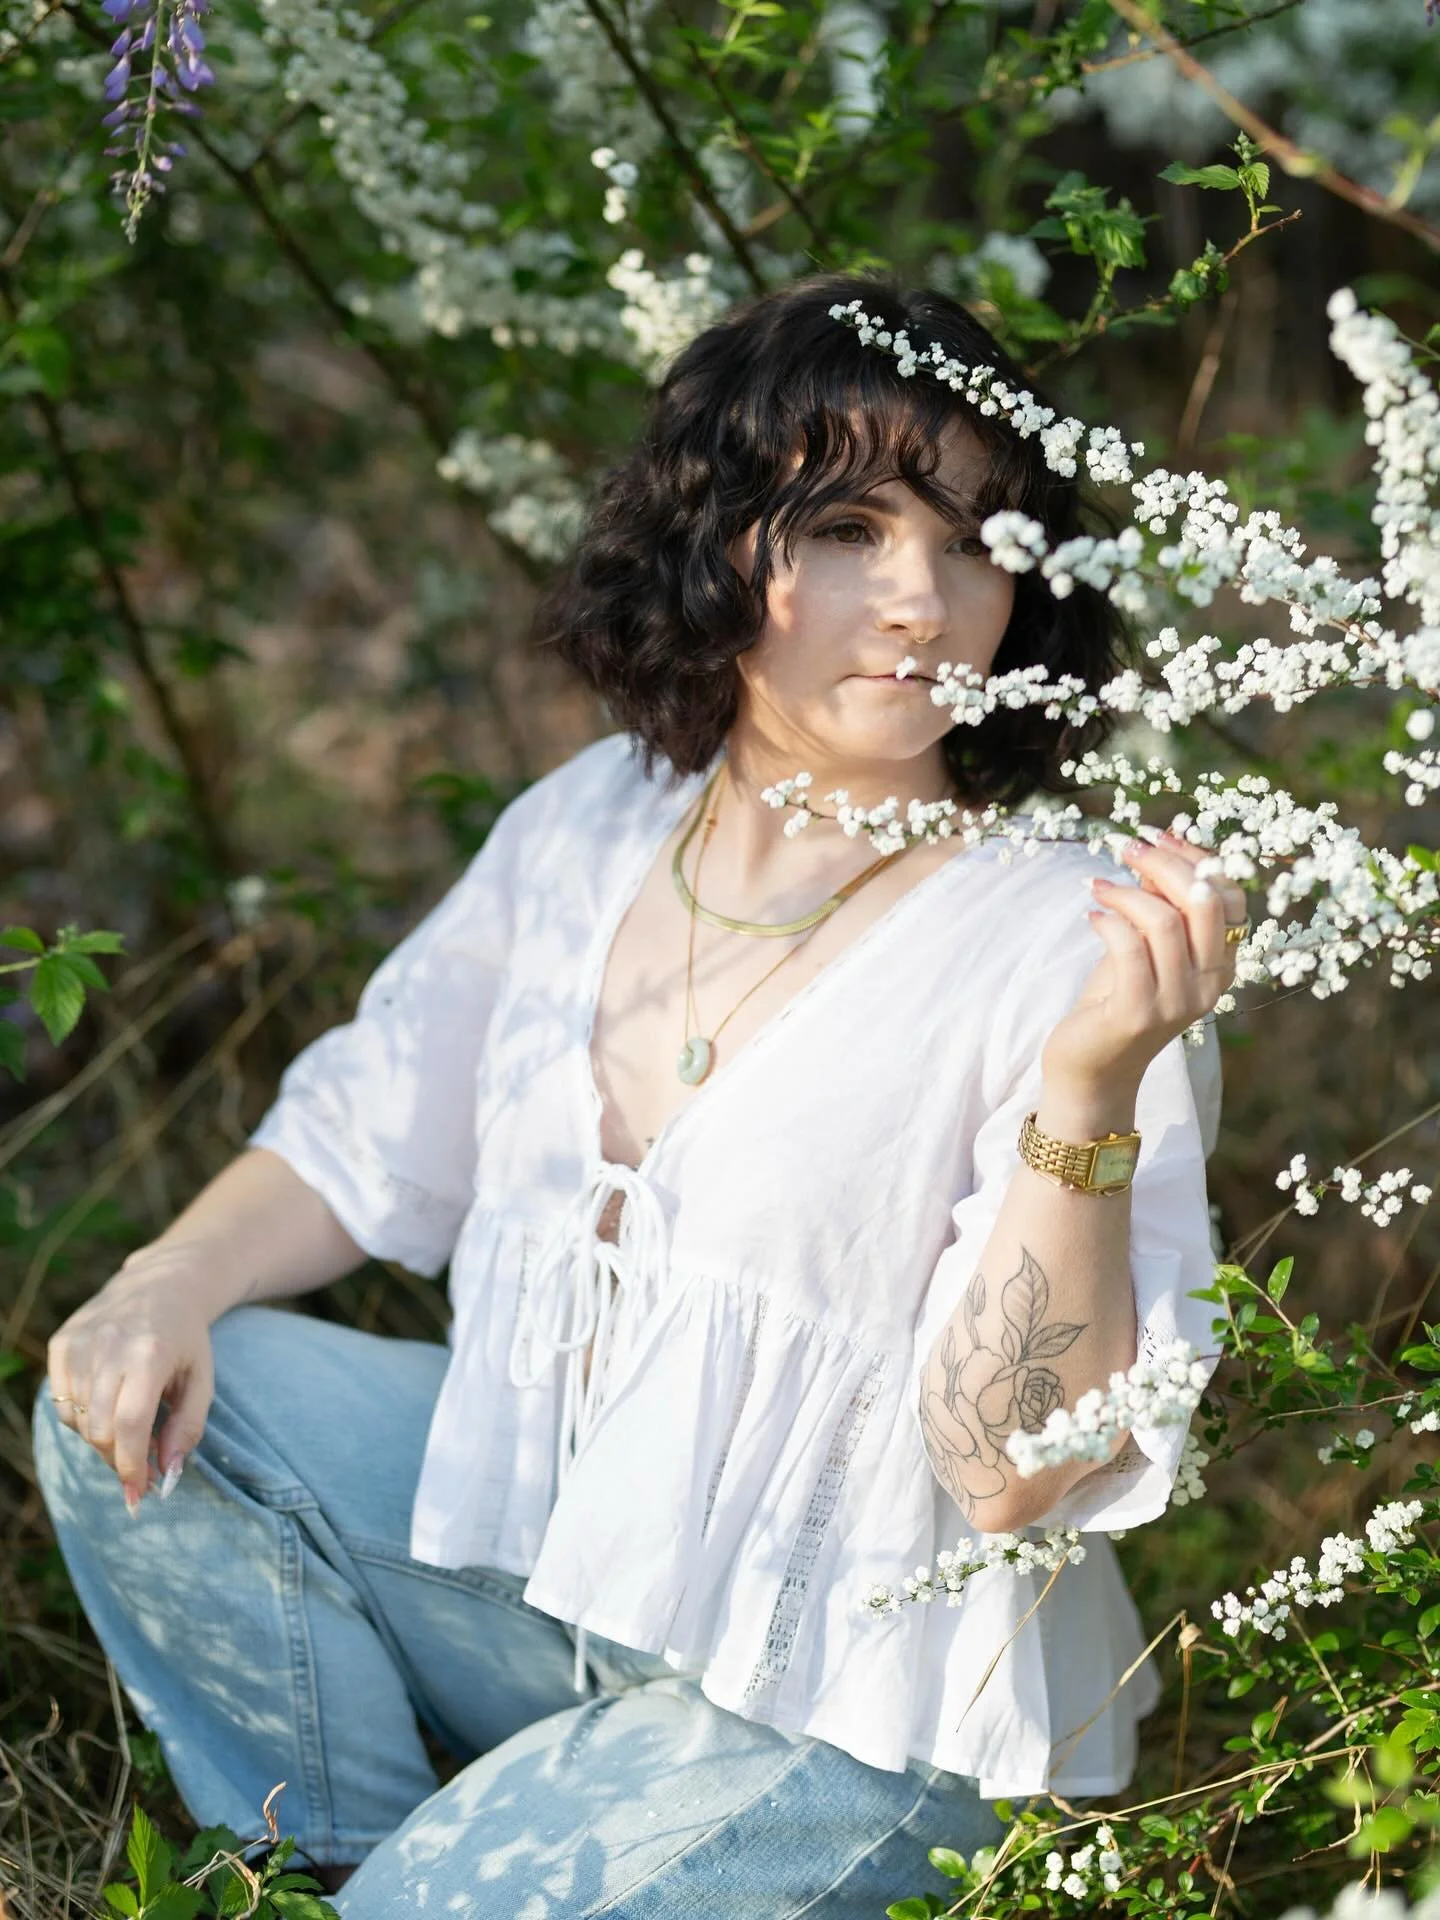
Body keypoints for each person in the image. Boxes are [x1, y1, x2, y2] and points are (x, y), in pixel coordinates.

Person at [33, 271, 1240, 1917]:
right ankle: (318, 1870)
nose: (924, 605)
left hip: (848, 1719)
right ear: (717, 539)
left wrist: (1092, 1091)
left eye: (978, 542)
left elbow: (1013, 1473)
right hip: (554, 1592)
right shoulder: (593, 821)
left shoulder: (1066, 940)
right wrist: (161, 1275)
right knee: (155, 1402)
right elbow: (362, 1134)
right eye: (849, 532)